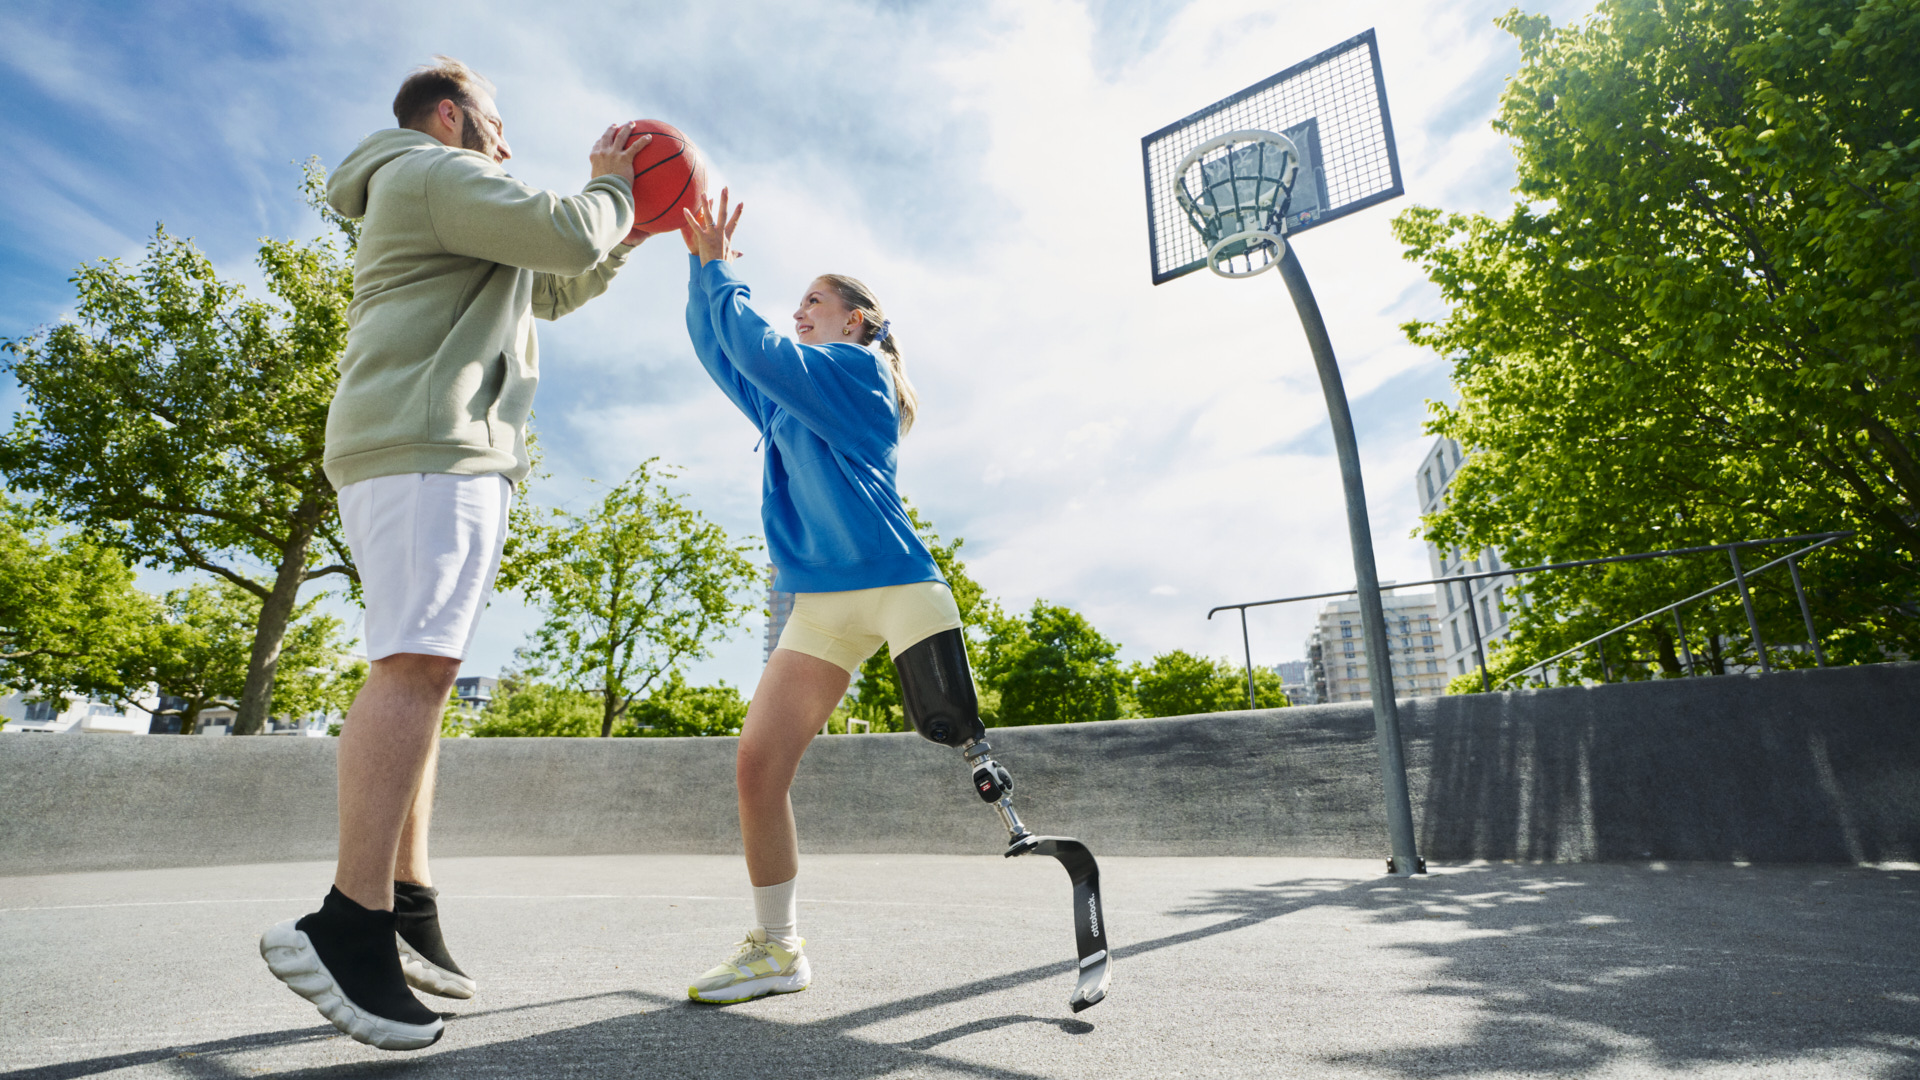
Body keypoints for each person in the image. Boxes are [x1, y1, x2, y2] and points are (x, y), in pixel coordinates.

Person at [258, 56, 651, 1051]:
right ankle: (348, 927)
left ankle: (407, 895)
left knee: (426, 666)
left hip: (428, 448)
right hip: (430, 443)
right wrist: (610, 182)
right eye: (497, 122)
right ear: (450, 115)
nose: (508, 142)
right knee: (417, 665)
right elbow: (565, 230)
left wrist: (628, 228)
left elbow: (551, 284)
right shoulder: (432, 172)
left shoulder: (438, 191)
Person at [679, 189, 961, 1004]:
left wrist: (724, 272)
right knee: (757, 765)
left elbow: (757, 347)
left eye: (814, 300)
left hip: (902, 588)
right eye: (795, 301)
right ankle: (778, 949)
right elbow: (723, 348)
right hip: (822, 606)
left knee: (970, 747)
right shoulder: (788, 399)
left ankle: (1052, 850)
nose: (798, 309)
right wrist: (704, 269)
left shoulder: (857, 372)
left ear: (859, 320)